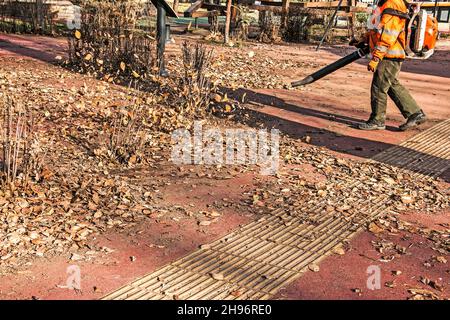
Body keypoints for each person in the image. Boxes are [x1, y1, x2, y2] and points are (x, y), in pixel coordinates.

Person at [352, 0, 427, 131]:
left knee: (379, 87)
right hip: (389, 54)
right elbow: (377, 29)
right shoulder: (387, 3)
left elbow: (388, 35)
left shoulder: (393, 3)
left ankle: (377, 120)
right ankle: (415, 113)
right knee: (391, 85)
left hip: (389, 55)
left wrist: (376, 57)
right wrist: (363, 39)